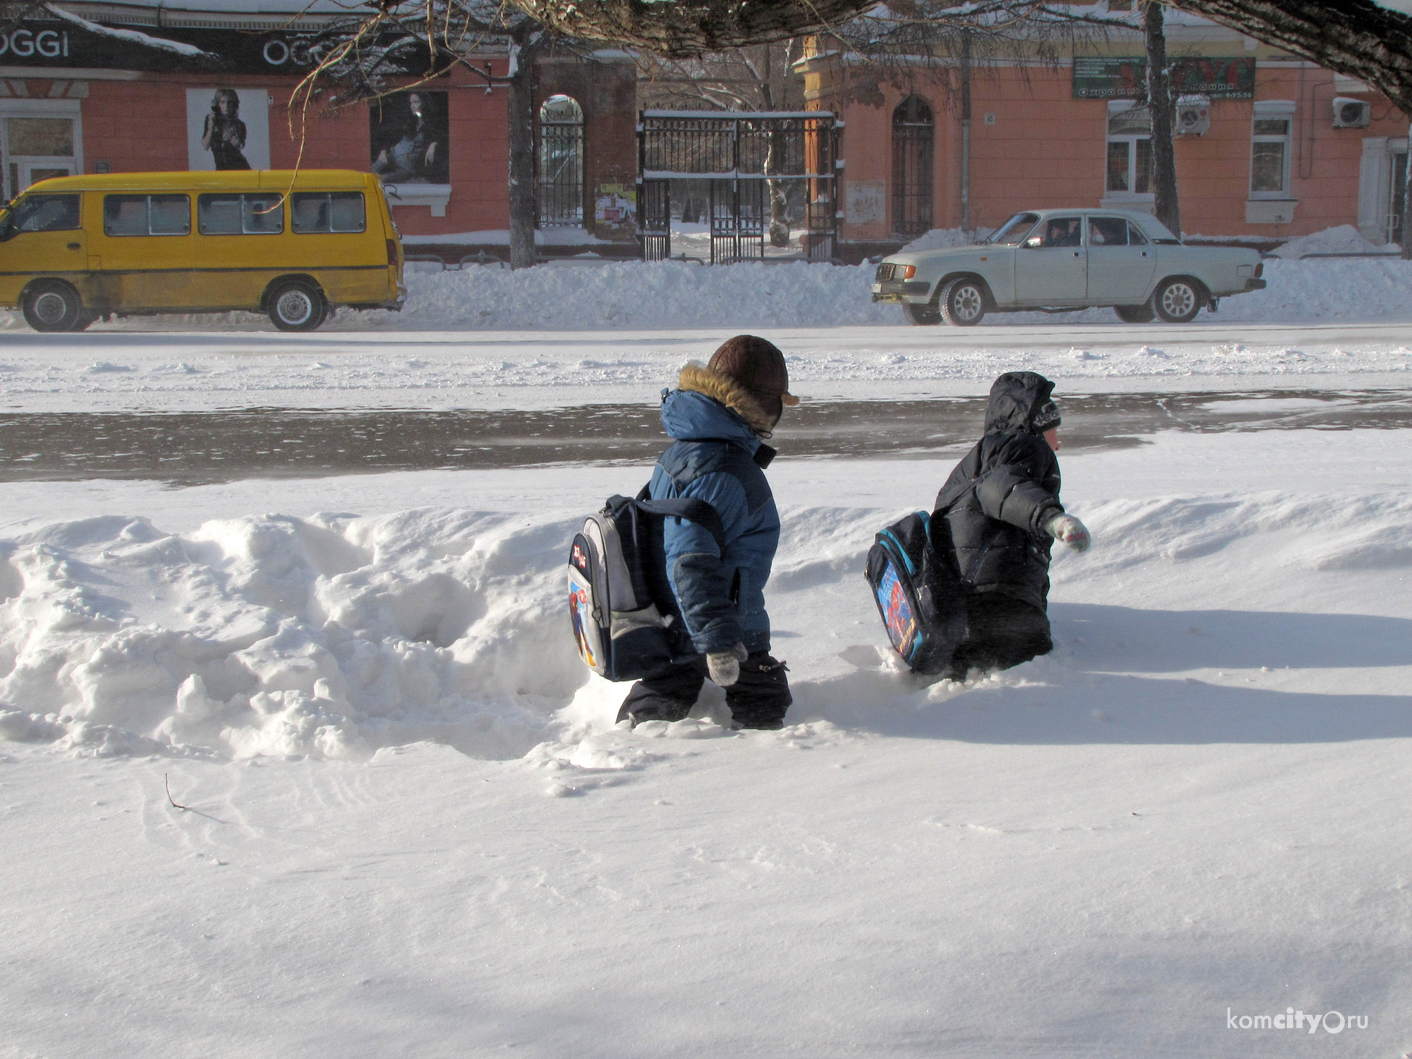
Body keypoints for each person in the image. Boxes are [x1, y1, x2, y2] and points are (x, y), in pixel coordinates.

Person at [617, 335, 800, 730]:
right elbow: (690, 561)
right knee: (765, 697)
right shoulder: (723, 470)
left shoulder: (687, 447)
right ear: (765, 405)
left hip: (677, 619)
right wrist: (718, 642)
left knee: (668, 684)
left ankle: (633, 737)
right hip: (725, 624)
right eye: (780, 404)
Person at [931, 371, 1091, 681]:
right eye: (1055, 431)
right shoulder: (1024, 447)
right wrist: (1053, 519)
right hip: (995, 601)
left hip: (961, 601)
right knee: (1027, 656)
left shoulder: (985, 453)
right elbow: (1000, 488)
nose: (1057, 444)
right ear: (1037, 425)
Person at [372, 92, 442, 183]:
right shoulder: (408, 121)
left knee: (382, 179)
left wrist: (433, 144)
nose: (412, 106)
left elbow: (439, 136)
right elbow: (390, 135)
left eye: (416, 102)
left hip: (406, 166)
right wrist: (383, 151)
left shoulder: (430, 123)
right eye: (411, 103)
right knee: (371, 172)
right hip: (393, 154)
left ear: (423, 103)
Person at [202, 89, 250, 171]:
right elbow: (205, 146)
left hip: (238, 167)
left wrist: (234, 140)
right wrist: (211, 128)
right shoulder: (210, 120)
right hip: (220, 167)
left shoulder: (239, 124)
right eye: (222, 102)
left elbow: (241, 145)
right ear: (217, 104)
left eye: (229, 102)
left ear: (234, 105)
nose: (226, 106)